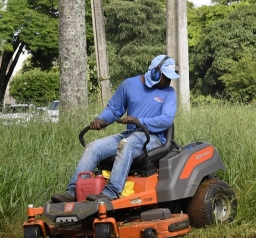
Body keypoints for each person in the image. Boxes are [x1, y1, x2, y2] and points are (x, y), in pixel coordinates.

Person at [51, 54, 179, 203]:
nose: (169, 81)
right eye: (166, 76)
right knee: (93, 147)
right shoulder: (129, 85)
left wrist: (139, 120)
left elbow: (166, 120)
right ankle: (72, 192)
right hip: (130, 134)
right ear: (155, 72)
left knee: (126, 144)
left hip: (153, 138)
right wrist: (101, 119)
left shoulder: (169, 93)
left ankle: (111, 193)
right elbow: (114, 109)